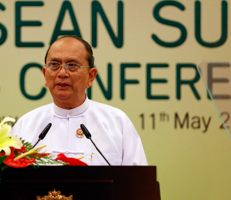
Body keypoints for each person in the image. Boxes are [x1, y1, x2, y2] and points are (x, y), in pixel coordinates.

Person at [10, 35, 147, 165]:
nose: (62, 73)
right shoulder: (25, 126)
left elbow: (138, 183)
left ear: (91, 76)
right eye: (54, 64)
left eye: (72, 65)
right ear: (45, 75)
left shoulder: (117, 123)